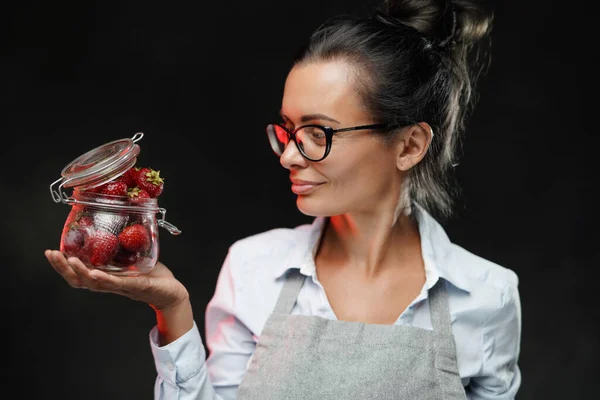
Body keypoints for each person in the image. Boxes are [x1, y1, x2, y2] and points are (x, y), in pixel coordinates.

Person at [44, 0, 522, 398]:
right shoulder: (253, 267)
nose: (290, 155)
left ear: (410, 145)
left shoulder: (487, 295)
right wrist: (173, 310)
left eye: (318, 133)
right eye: (289, 131)